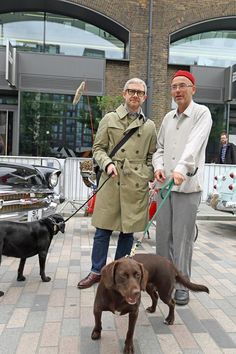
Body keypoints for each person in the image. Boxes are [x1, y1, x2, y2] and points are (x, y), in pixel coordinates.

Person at [77, 78, 157, 289]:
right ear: (124, 94)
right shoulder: (109, 119)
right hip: (111, 181)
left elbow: (152, 157)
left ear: (144, 97)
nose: (135, 95)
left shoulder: (149, 126)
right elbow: (98, 149)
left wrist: (143, 175)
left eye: (139, 93)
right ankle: (97, 271)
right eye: (131, 91)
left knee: (127, 232)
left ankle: (122, 274)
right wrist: (108, 164)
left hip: (134, 185)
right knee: (102, 230)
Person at [152, 70, 212, 305]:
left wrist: (181, 169)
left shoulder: (201, 113)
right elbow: (159, 149)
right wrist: (158, 167)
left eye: (183, 86)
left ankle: (182, 284)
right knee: (162, 238)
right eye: (174, 86)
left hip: (187, 188)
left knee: (183, 240)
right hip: (164, 187)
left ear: (193, 89)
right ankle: (161, 283)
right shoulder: (167, 118)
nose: (177, 90)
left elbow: (194, 145)